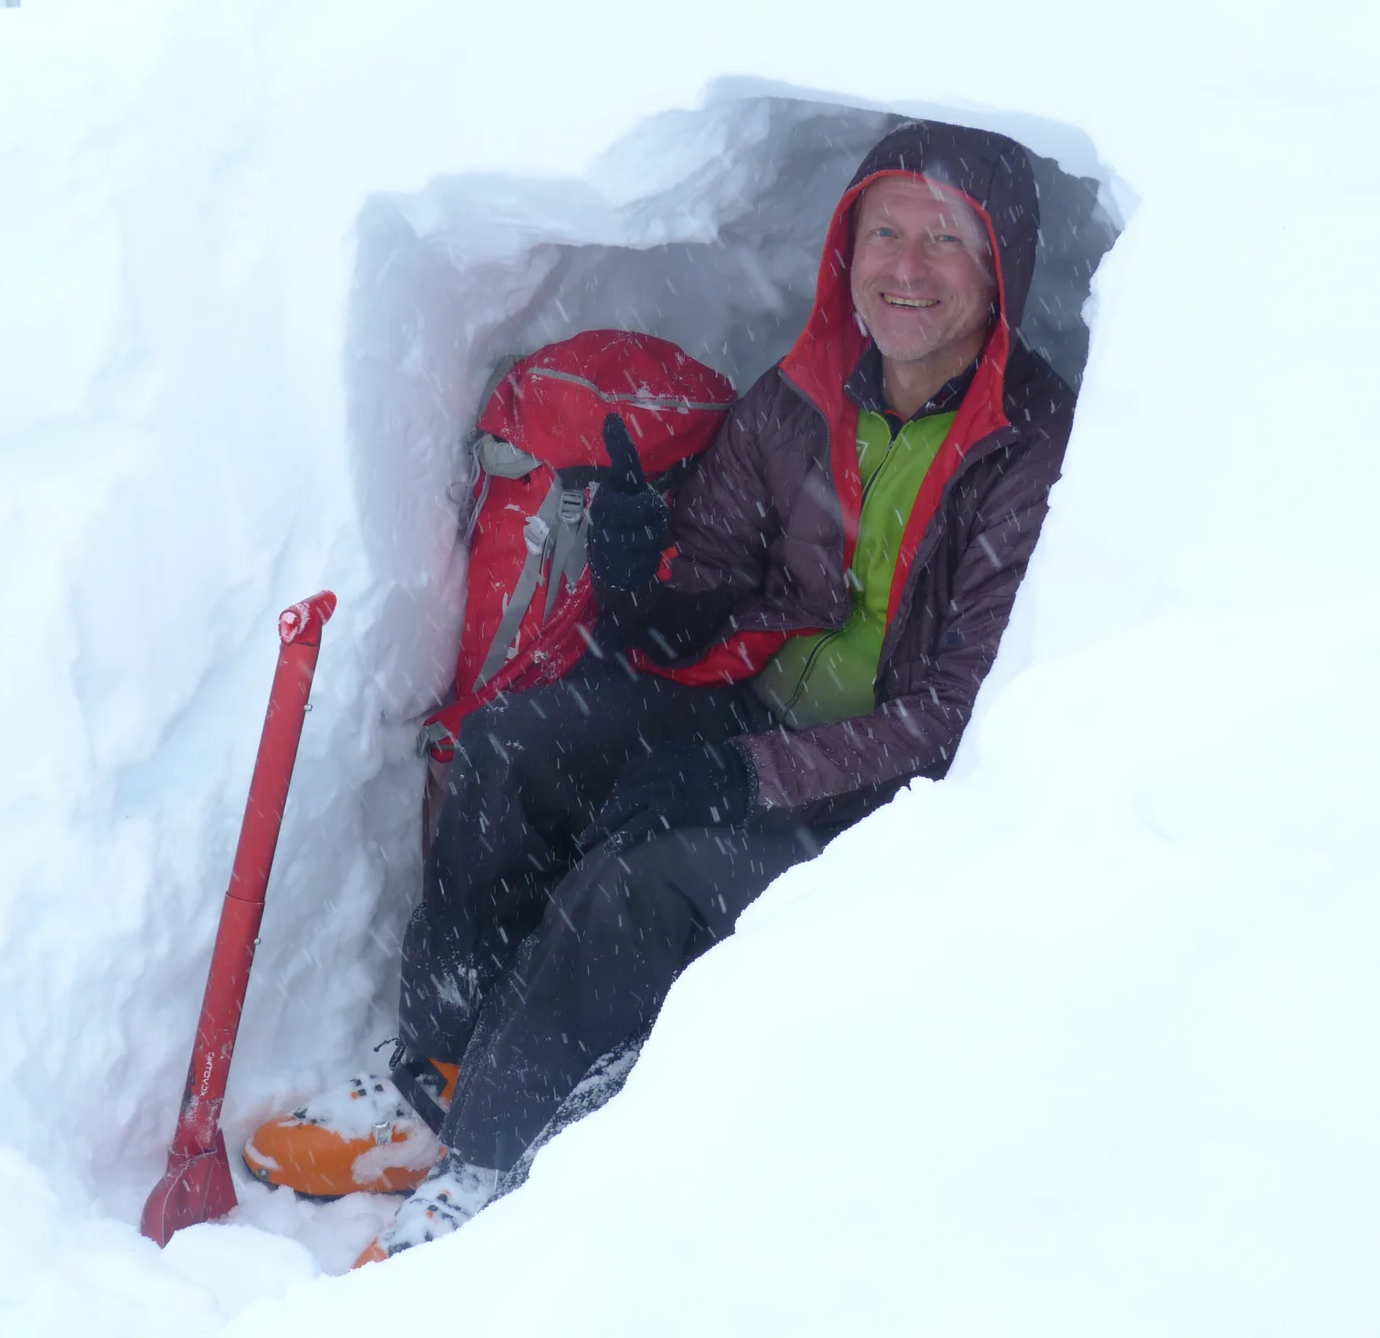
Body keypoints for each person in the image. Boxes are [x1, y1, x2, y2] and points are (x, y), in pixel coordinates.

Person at [241, 118, 1077, 1263]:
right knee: (514, 750)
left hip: (893, 795)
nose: (907, 268)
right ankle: (433, 1078)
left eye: (946, 241)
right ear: (848, 245)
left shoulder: (1027, 450)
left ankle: (491, 1150)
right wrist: (644, 581)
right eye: (886, 231)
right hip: (759, 709)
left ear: (1001, 268)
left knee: (639, 885)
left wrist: (744, 774)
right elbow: (711, 584)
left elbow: (953, 715)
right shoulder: (802, 397)